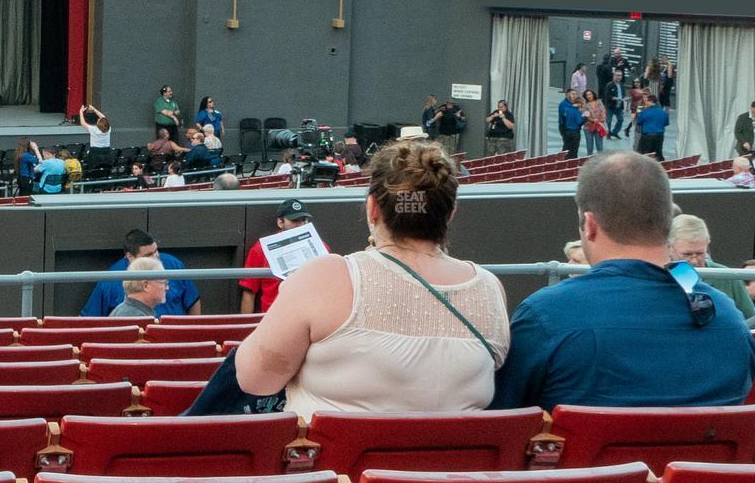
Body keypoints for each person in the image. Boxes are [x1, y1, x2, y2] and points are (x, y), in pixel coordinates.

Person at [232, 140, 507, 414]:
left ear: (373, 208)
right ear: (450, 213)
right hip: (452, 458)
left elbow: (254, 379)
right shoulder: (489, 288)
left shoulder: (324, 277)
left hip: (331, 457)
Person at [493, 152, 755, 409]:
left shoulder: (545, 317)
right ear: (667, 222)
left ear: (590, 224)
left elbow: (506, 419)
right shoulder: (730, 321)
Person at [89, 228, 201, 318]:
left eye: (156, 251)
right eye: (148, 255)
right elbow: (90, 319)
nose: (155, 257)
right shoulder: (111, 279)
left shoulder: (174, 265)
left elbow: (193, 301)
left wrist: (193, 332)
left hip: (175, 338)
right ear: (129, 256)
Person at [668, 213, 755, 320]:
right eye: (687, 254)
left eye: (700, 253)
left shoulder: (727, 277)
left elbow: (752, 322)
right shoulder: (656, 275)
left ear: (707, 245)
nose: (695, 260)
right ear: (669, 248)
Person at [235, 199, 313, 314]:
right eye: (295, 221)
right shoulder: (261, 248)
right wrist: (247, 328)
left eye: (304, 221)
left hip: (308, 317)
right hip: (273, 319)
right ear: (280, 222)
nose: (300, 225)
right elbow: (249, 293)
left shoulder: (319, 245)